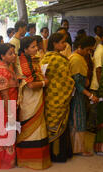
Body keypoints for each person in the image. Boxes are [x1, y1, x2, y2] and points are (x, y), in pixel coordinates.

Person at [16, 37, 51, 170]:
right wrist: (44, 83)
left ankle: (40, 160)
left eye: (36, 46)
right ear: (25, 49)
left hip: (38, 98)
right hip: (29, 99)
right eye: (32, 47)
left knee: (40, 129)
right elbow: (30, 85)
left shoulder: (35, 59)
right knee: (29, 128)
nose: (36, 49)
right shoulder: (22, 62)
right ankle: (26, 160)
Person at [40, 33, 75, 162]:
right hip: (59, 95)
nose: (64, 44)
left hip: (50, 96)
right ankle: (59, 155)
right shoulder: (59, 59)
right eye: (62, 42)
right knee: (59, 124)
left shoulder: (45, 58)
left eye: (65, 42)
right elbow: (67, 80)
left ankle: (53, 153)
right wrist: (72, 83)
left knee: (51, 122)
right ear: (54, 43)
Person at [68, 36, 99, 156]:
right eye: (87, 50)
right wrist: (90, 96)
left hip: (77, 95)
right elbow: (77, 84)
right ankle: (78, 149)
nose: (89, 53)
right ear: (80, 47)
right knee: (78, 120)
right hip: (77, 96)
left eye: (91, 50)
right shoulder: (76, 59)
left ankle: (76, 148)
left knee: (76, 120)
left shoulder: (78, 57)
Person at [0, 43, 18, 169]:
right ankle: (5, 160)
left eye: (14, 52)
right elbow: (4, 93)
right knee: (5, 131)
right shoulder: (2, 70)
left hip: (8, 103)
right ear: (2, 56)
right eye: (10, 53)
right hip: (5, 105)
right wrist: (9, 112)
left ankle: (2, 158)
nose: (14, 55)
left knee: (4, 130)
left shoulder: (7, 67)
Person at [89, 28, 103, 132]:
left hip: (101, 84)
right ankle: (91, 127)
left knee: (97, 107)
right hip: (97, 85)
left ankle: (95, 125)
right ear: (101, 38)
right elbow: (99, 69)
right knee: (94, 108)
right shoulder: (100, 50)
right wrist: (101, 85)